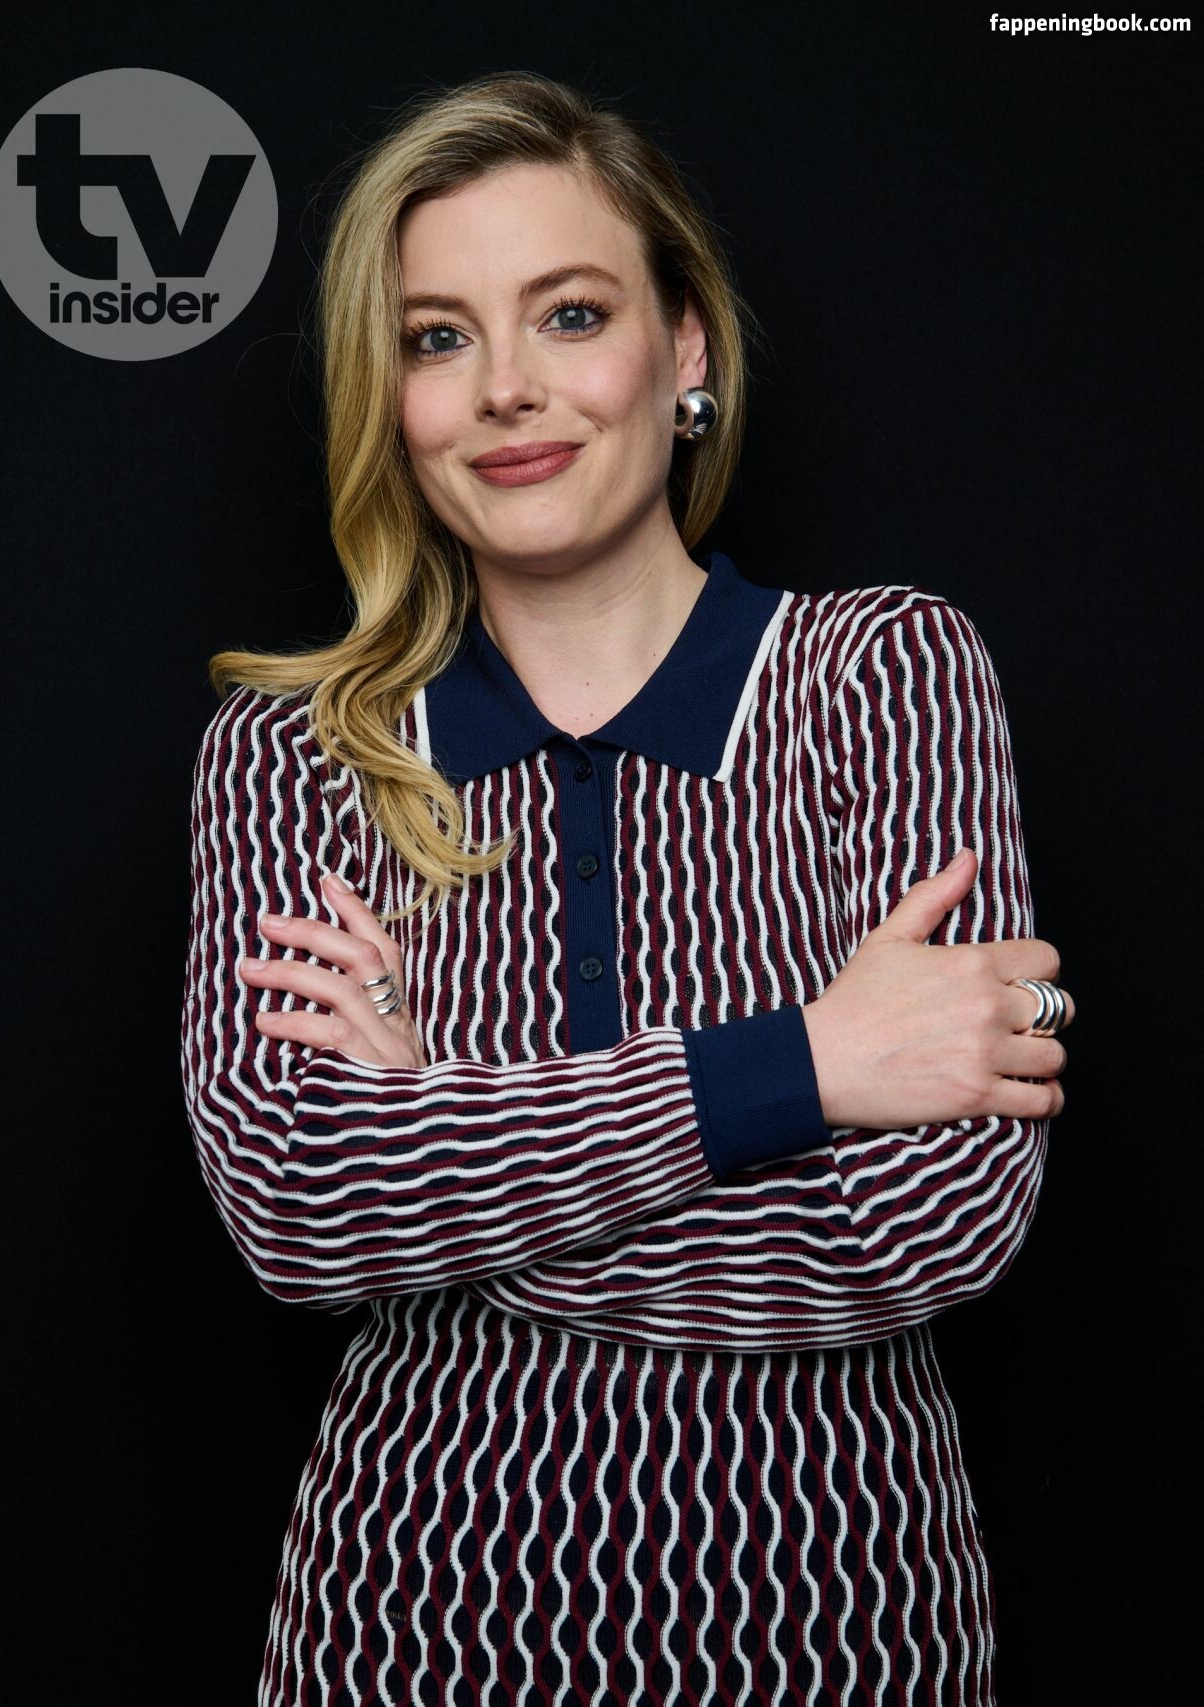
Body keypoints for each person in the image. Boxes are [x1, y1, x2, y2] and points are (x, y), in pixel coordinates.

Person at [180, 71, 1074, 1707]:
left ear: (687, 352)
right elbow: (294, 1213)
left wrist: (433, 1147)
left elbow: (937, 1222)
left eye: (571, 314)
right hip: (406, 1627)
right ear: (391, 398)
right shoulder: (297, 752)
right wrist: (801, 1065)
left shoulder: (883, 674)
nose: (506, 389)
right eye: (437, 338)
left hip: (843, 1626)